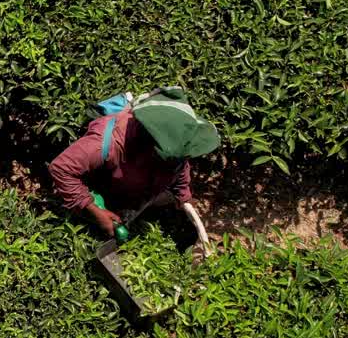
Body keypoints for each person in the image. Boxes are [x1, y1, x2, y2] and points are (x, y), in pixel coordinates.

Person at [48, 90, 220, 254]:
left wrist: (183, 195)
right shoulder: (107, 143)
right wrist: (94, 210)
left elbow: (181, 168)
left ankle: (128, 207)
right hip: (101, 182)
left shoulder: (174, 153)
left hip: (135, 185)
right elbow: (61, 168)